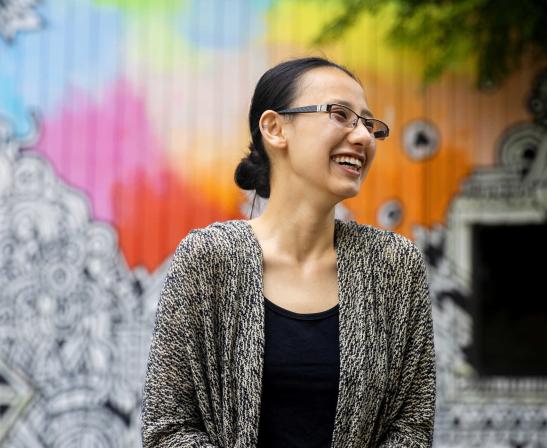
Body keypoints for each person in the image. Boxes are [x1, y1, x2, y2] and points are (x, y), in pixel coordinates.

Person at [141, 56, 436, 448]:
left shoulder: (395, 266)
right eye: (340, 114)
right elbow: (168, 428)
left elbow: (412, 427)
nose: (363, 136)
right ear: (275, 128)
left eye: (368, 123)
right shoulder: (208, 259)